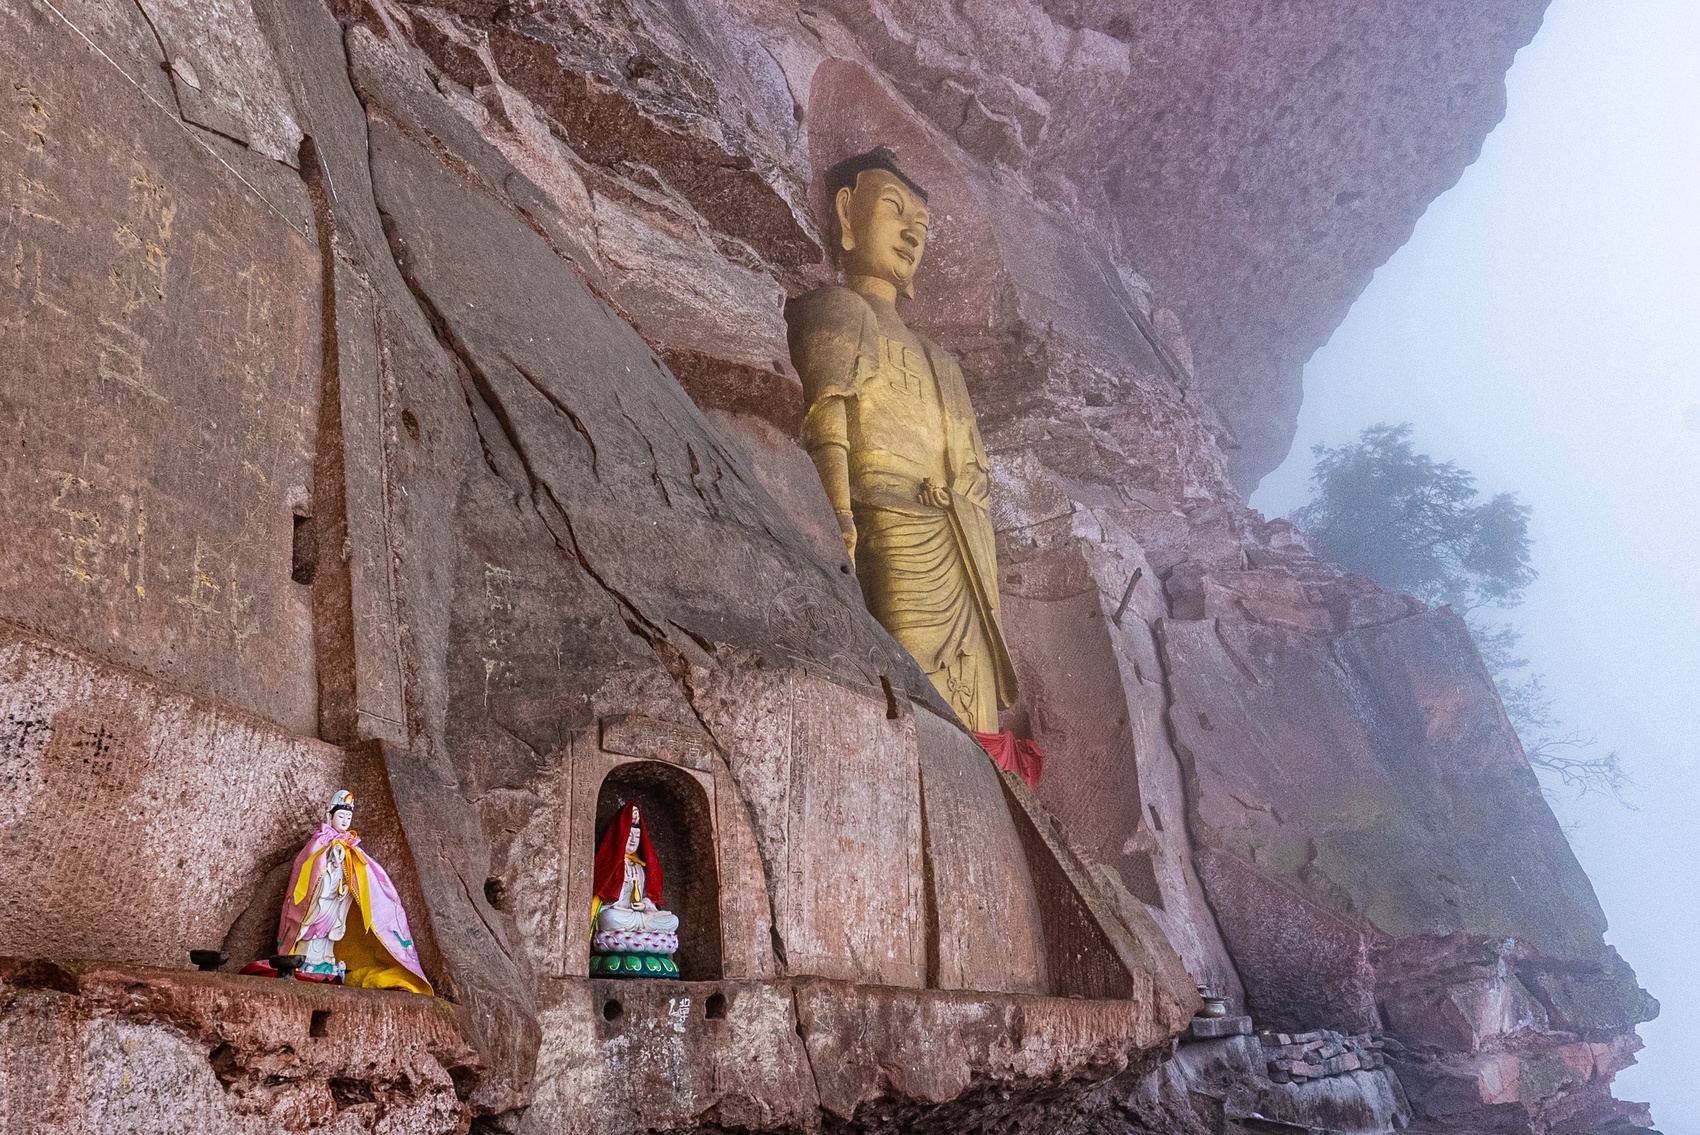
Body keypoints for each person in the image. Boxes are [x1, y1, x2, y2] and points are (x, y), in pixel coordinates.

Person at [784, 145, 1017, 731]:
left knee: (972, 722)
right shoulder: (835, 308)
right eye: (894, 210)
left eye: (923, 226)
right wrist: (836, 526)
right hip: (889, 531)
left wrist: (964, 488)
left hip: (959, 550)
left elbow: (976, 473)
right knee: (908, 704)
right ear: (845, 212)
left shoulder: (945, 364)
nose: (912, 234)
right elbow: (825, 419)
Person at [276, 790, 432, 994]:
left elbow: (362, 880)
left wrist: (345, 891)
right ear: (329, 817)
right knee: (313, 930)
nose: (345, 821)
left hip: (336, 901)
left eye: (348, 817)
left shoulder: (352, 849)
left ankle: (327, 963)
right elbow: (308, 877)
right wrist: (331, 866)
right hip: (321, 900)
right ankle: (305, 963)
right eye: (341, 816)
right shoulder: (318, 845)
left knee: (331, 934)